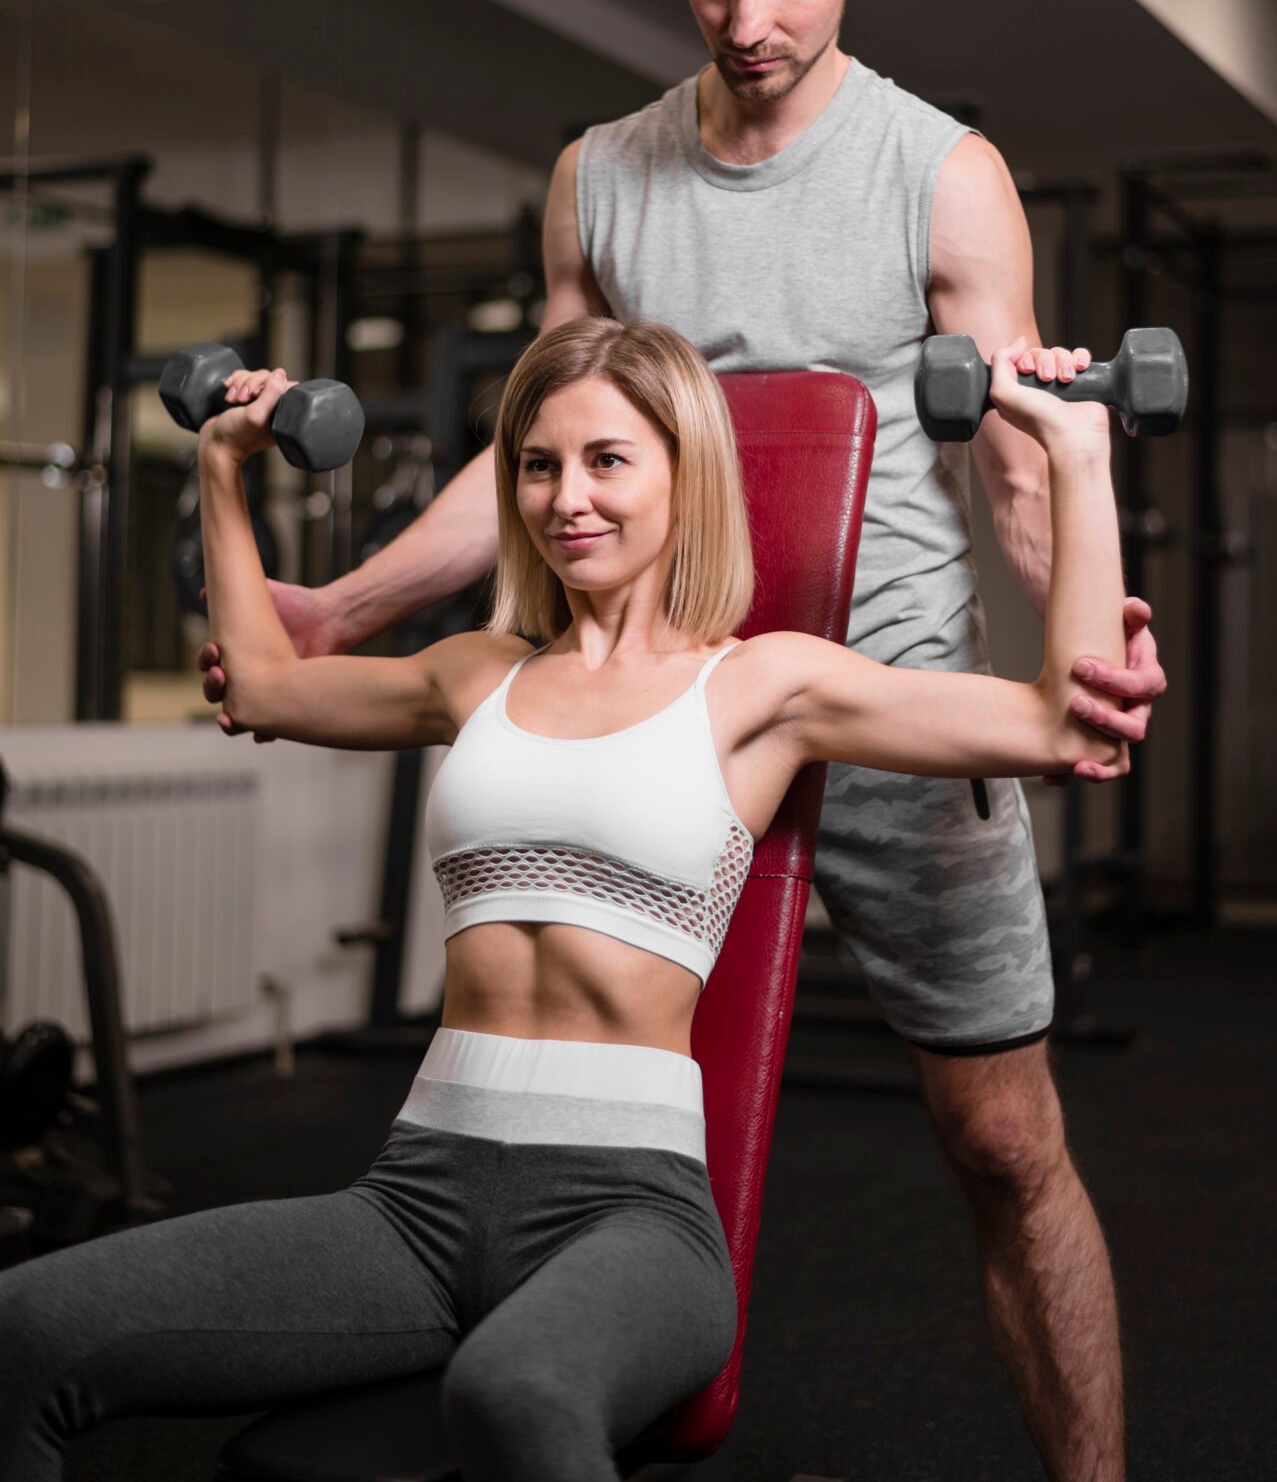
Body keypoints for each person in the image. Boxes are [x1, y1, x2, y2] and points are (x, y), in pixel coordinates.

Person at [202, 0, 1164, 1480]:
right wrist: (342, 608)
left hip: (880, 704)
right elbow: (544, 448)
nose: (748, 17)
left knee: (1004, 1140)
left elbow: (1014, 451)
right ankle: (534, 1395)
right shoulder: (604, 174)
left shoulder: (940, 175)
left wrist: (1087, 641)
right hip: (652, 717)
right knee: (569, 1111)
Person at [0, 316, 1127, 1482]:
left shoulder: (760, 686)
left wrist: (1073, 451)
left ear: (684, 477)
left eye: (606, 461)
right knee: (21, 1331)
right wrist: (222, 465)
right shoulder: (477, 672)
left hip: (630, 1217)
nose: (566, 498)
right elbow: (264, 687)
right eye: (538, 465)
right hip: (416, 1201)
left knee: (516, 1395)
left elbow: (1066, 722)